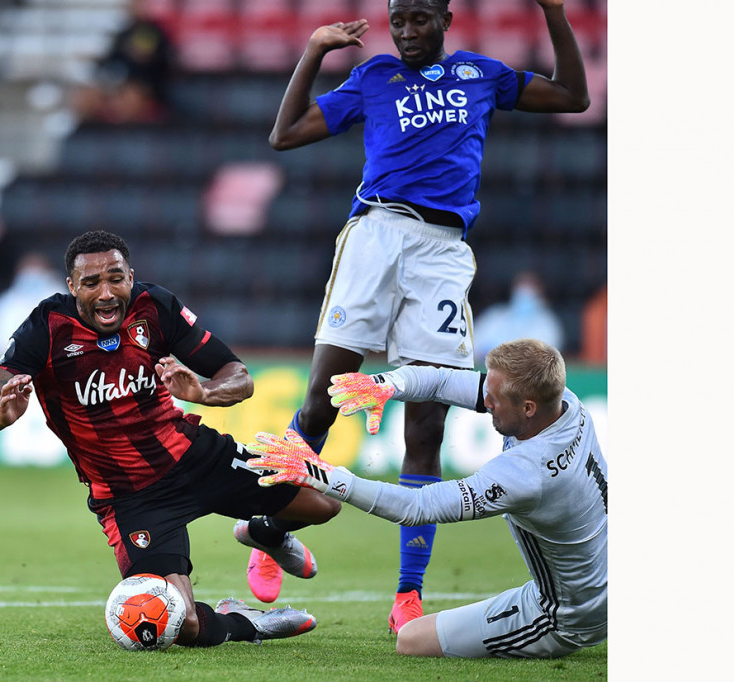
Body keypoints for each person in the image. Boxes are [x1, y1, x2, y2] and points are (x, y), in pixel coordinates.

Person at [259, 0, 590, 632]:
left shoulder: (482, 75)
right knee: (323, 398)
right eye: (398, 20)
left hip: (442, 251)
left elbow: (574, 96)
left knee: (427, 424)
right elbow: (286, 134)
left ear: (446, 19)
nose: (407, 32)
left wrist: (552, 10)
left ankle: (408, 593)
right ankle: (271, 528)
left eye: (418, 19)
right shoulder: (375, 78)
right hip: (375, 235)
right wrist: (314, 51)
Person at [0, 230, 341, 648]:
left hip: (193, 456)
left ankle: (265, 532)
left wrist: (204, 392)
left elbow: (239, 376)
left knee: (324, 504)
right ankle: (246, 623)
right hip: (130, 498)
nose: (106, 293)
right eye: (91, 283)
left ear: (130, 276)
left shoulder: (155, 306)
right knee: (180, 623)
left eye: (115, 278)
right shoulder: (47, 328)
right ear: (72, 287)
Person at [245, 338, 607, 658]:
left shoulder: (528, 474)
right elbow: (443, 382)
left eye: (494, 399)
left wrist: (320, 474)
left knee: (412, 640)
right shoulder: (565, 404)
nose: (485, 402)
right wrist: (384, 384)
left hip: (570, 613)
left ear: (528, 408)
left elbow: (417, 506)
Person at [473, 271, 564, 365]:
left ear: (540, 292)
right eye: (521, 287)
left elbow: (545, 354)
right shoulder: (495, 314)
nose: (524, 293)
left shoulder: (547, 322)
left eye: (529, 288)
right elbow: (474, 343)